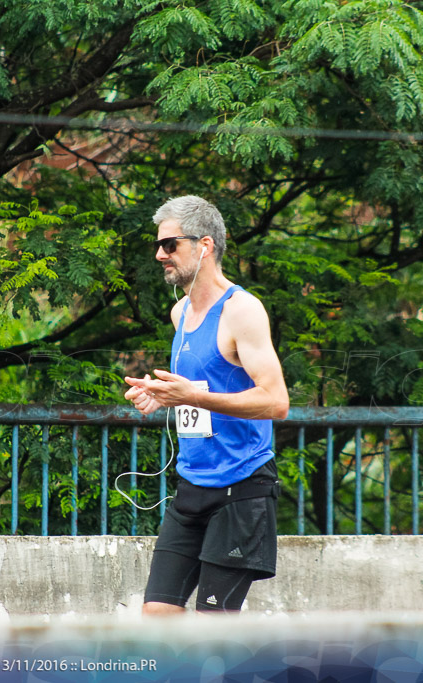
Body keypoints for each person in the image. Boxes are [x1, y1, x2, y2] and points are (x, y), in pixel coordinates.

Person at [124, 195, 289, 614]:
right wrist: (161, 395)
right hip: (193, 487)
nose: (160, 254)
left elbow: (276, 401)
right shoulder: (180, 313)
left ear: (204, 246)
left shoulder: (242, 311)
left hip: (242, 487)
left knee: (213, 629)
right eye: (159, 245)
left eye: (170, 244)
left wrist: (192, 396)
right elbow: (198, 388)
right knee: (157, 614)